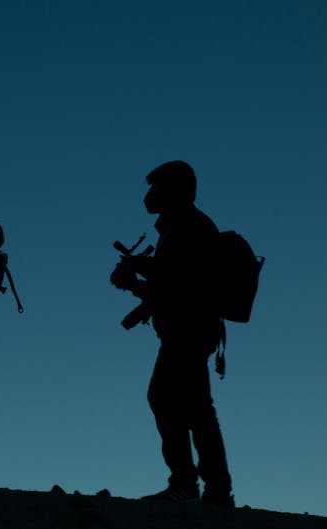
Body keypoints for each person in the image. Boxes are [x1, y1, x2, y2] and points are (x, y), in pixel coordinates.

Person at [110, 160, 234, 507]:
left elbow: (177, 283)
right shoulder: (179, 226)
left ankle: (188, 485)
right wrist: (137, 279)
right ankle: (212, 489)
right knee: (194, 407)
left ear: (174, 190)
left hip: (189, 330)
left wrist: (135, 274)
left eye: (157, 187)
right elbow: (171, 282)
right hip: (189, 329)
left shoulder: (188, 226)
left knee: (167, 399)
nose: (150, 194)